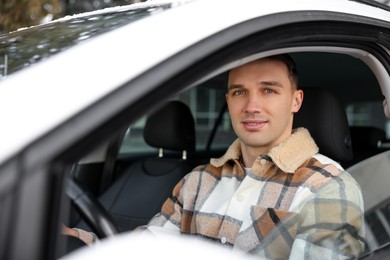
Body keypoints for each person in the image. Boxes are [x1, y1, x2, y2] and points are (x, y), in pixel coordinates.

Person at [66, 54, 365, 258]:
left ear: (295, 101)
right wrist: (74, 241)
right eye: (239, 92)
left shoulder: (329, 187)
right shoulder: (198, 179)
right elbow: (146, 250)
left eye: (269, 91)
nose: (251, 106)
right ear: (228, 101)